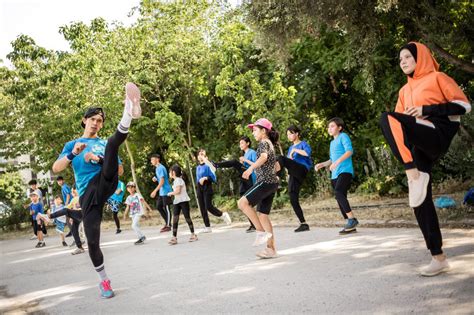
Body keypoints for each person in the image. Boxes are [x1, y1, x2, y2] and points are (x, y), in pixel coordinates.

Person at [379, 42, 471, 276]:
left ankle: (411, 171)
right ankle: (438, 257)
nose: (403, 61)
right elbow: (398, 126)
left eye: (408, 56)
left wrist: (425, 109)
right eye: (400, 59)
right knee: (420, 201)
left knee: (386, 117)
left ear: (421, 57)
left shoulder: (438, 77)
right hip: (419, 142)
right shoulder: (403, 91)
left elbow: (463, 106)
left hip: (438, 132)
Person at [51, 82, 141, 298]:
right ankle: (104, 281)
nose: (96, 123)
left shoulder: (102, 143)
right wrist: (73, 153)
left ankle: (129, 111)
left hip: (106, 182)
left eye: (99, 121)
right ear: (85, 120)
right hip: (88, 194)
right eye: (93, 119)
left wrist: (98, 158)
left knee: (112, 144)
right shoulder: (72, 144)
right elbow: (56, 168)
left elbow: (118, 170)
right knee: (92, 241)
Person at [238, 118, 280, 259]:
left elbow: (263, 158)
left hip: (265, 182)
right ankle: (271, 249)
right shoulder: (269, 143)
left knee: (242, 203)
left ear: (264, 131)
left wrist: (250, 169)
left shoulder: (263, 143)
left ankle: (260, 232)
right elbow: (276, 166)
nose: (253, 132)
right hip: (272, 182)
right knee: (263, 216)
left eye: (255, 130)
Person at [315, 117, 358, 234]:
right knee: (339, 197)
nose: (330, 128)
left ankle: (352, 219)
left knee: (338, 192)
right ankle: (350, 225)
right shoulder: (332, 142)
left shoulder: (343, 136)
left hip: (345, 171)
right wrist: (322, 164)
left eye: (332, 126)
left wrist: (337, 162)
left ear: (339, 128)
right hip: (335, 174)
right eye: (328, 127)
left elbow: (349, 151)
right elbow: (332, 159)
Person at [213, 136, 257, 232]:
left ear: (248, 143)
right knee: (244, 203)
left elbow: (256, 164)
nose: (240, 145)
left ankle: (216, 165)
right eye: (240, 143)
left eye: (242, 143)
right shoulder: (244, 155)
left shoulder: (252, 152)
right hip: (244, 178)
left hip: (250, 177)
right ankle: (253, 225)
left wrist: (245, 161)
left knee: (234, 162)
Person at [277, 125, 312, 232]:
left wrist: (295, 150)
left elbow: (307, 153)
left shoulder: (303, 144)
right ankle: (303, 223)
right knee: (292, 197)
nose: (289, 136)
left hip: (302, 169)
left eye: (291, 133)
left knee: (279, 158)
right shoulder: (290, 148)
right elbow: (288, 160)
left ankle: (276, 177)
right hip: (294, 173)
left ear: (296, 134)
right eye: (287, 134)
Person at [37, 187, 86, 255]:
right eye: (72, 192)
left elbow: (69, 209)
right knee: (74, 230)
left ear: (78, 190)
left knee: (66, 211)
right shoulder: (73, 199)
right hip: (76, 216)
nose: (73, 193)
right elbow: (68, 208)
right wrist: (71, 216)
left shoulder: (82, 196)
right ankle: (80, 248)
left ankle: (49, 216)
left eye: (74, 191)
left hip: (81, 213)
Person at [196, 148, 232, 232]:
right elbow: (197, 179)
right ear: (198, 156)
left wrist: (205, 178)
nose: (201, 155)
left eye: (202, 154)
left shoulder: (208, 165)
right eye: (199, 154)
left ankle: (223, 215)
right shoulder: (197, 167)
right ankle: (207, 227)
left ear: (206, 156)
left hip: (207, 187)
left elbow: (213, 178)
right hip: (199, 188)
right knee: (202, 208)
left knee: (208, 206)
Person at [167, 164, 198, 245]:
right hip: (177, 202)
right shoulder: (175, 181)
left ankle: (193, 234)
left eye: (170, 172)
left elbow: (178, 191)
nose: (169, 173)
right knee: (175, 219)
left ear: (173, 172)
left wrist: (170, 193)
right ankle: (174, 237)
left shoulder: (179, 180)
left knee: (187, 218)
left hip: (183, 201)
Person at [150, 154, 173, 233]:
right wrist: (156, 179)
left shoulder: (160, 168)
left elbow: (162, 181)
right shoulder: (157, 168)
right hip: (162, 192)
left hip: (166, 191)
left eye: (152, 160)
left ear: (157, 159)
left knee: (167, 208)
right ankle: (168, 223)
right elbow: (161, 179)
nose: (151, 161)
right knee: (159, 206)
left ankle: (168, 225)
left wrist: (155, 191)